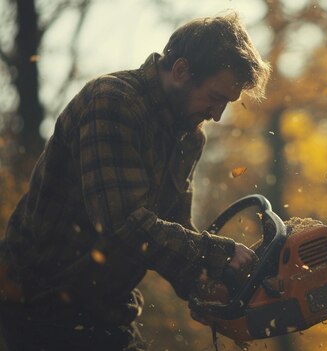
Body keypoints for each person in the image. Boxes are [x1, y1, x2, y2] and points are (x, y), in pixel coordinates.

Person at [0, 12, 270, 350]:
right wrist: (218, 254)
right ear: (181, 70)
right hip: (40, 304)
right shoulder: (113, 102)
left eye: (226, 104)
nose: (217, 114)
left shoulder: (188, 137)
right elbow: (123, 225)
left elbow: (172, 225)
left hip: (106, 310)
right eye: (215, 97)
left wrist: (206, 286)